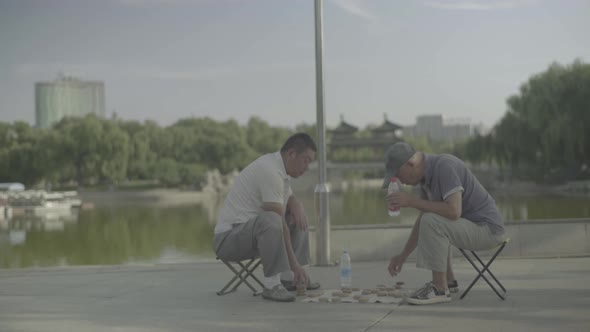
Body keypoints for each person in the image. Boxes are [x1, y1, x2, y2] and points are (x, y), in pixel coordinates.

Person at [383, 142, 506, 305]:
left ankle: (439, 288)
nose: (401, 182)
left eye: (399, 175)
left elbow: (454, 211)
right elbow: (424, 220)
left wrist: (411, 201)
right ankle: (449, 281)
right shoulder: (425, 179)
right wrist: (402, 256)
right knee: (432, 218)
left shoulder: (444, 166)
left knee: (433, 220)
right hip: (472, 228)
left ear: (410, 164)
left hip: (488, 230)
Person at [212, 133, 320, 302]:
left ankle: (294, 279)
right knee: (272, 219)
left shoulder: (281, 169)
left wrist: (296, 203)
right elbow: (279, 224)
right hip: (227, 240)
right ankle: (272, 285)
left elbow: (287, 197)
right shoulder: (270, 170)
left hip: (250, 234)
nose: (307, 167)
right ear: (292, 154)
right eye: (306, 160)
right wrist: (294, 264)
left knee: (296, 216)